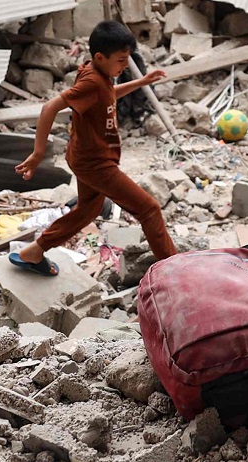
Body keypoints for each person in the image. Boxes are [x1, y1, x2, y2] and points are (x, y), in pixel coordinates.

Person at [11, 19, 176, 275]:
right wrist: (38, 153)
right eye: (121, 60)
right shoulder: (92, 82)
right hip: (96, 164)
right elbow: (49, 107)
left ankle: (34, 251)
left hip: (84, 156)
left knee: (89, 209)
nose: (125, 65)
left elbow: (107, 94)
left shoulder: (98, 74)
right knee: (149, 209)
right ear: (100, 57)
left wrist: (140, 82)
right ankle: (177, 268)